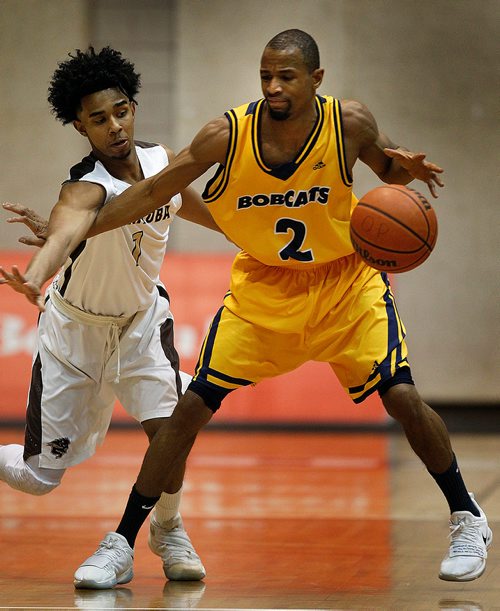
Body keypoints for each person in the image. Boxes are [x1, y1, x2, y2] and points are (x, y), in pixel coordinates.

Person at [4, 30, 492, 586]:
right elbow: (145, 195)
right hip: (261, 291)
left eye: (286, 76)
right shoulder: (225, 135)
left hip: (344, 285)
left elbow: (389, 173)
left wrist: (405, 169)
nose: (273, 87)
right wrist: (62, 243)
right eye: (265, 76)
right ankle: (122, 542)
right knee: (180, 416)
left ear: (316, 79)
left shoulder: (348, 122)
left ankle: (466, 515)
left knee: (401, 395)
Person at [0, 46, 223, 588]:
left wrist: (257, 239)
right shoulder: (84, 186)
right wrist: (35, 274)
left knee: (171, 432)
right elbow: (64, 231)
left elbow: (195, 208)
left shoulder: (160, 162)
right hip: (75, 333)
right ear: (81, 125)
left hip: (143, 323)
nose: (115, 126)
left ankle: (166, 530)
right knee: (38, 479)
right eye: (98, 119)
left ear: (133, 106)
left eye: (121, 110)